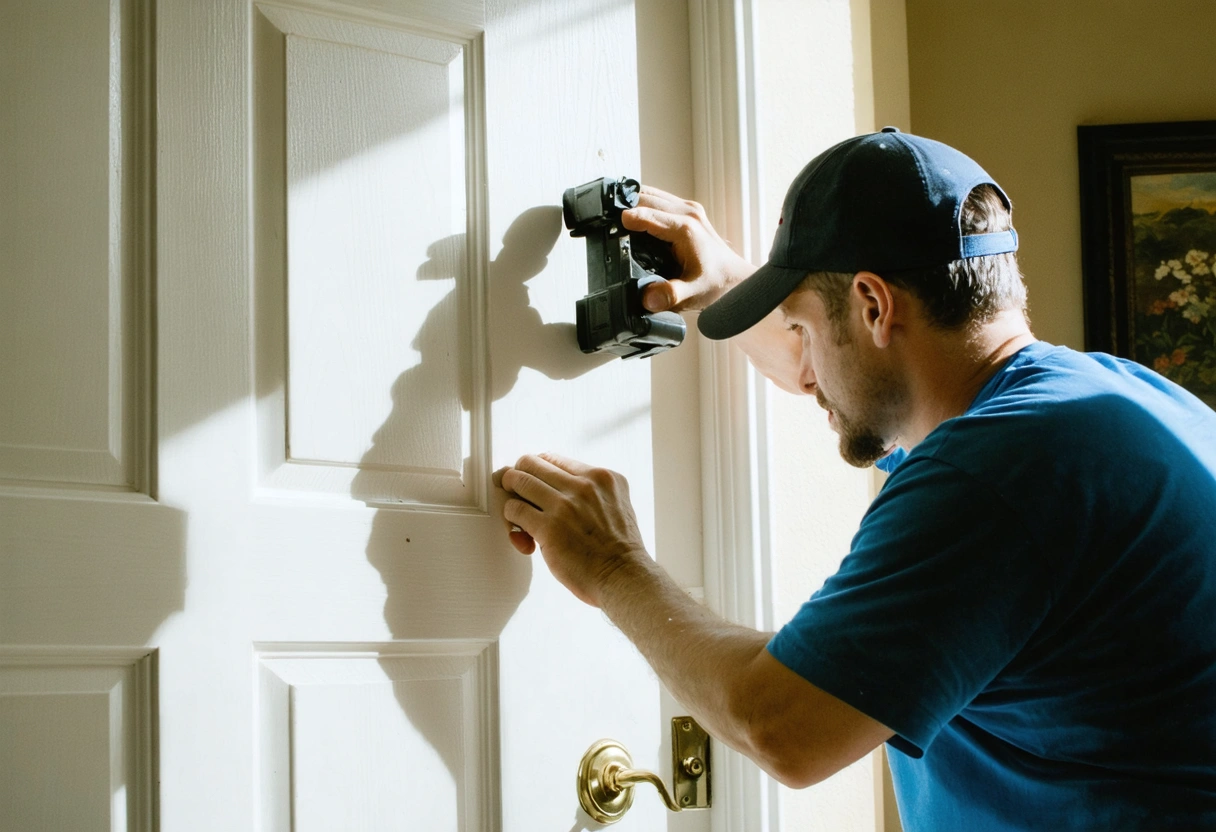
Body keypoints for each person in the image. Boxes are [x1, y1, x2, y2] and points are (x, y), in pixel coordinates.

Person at [499, 128, 1216, 829]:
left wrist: (613, 564)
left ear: (874, 305)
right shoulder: (1113, 401)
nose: (805, 368)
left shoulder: (989, 479)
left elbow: (780, 725)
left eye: (804, 327)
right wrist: (735, 290)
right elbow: (842, 380)